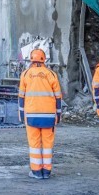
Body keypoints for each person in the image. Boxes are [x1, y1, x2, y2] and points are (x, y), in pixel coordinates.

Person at [18, 48, 62, 179]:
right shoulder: (51, 74)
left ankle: (36, 172)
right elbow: (58, 97)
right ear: (44, 59)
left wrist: (21, 115)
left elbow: (21, 97)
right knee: (48, 144)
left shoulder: (25, 74)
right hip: (49, 116)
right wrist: (58, 116)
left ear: (31, 59)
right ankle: (47, 172)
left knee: (34, 144)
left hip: (31, 115)